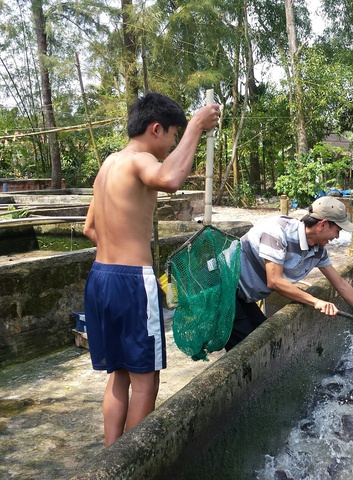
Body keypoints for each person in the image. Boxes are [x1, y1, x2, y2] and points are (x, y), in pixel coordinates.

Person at [82, 92, 220, 447]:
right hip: (131, 282)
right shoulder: (139, 160)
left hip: (100, 277)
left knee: (119, 375)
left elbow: (89, 229)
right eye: (173, 135)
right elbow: (170, 179)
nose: (174, 142)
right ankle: (128, 466)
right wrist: (195, 127)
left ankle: (111, 458)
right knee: (147, 381)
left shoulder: (108, 165)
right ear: (156, 128)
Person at [225, 196, 353, 350]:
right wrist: (316, 301)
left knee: (265, 340)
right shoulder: (276, 231)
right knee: (250, 351)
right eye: (337, 230)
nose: (337, 236)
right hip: (223, 289)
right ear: (322, 224)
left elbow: (341, 284)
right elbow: (274, 281)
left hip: (244, 297)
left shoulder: (318, 251)